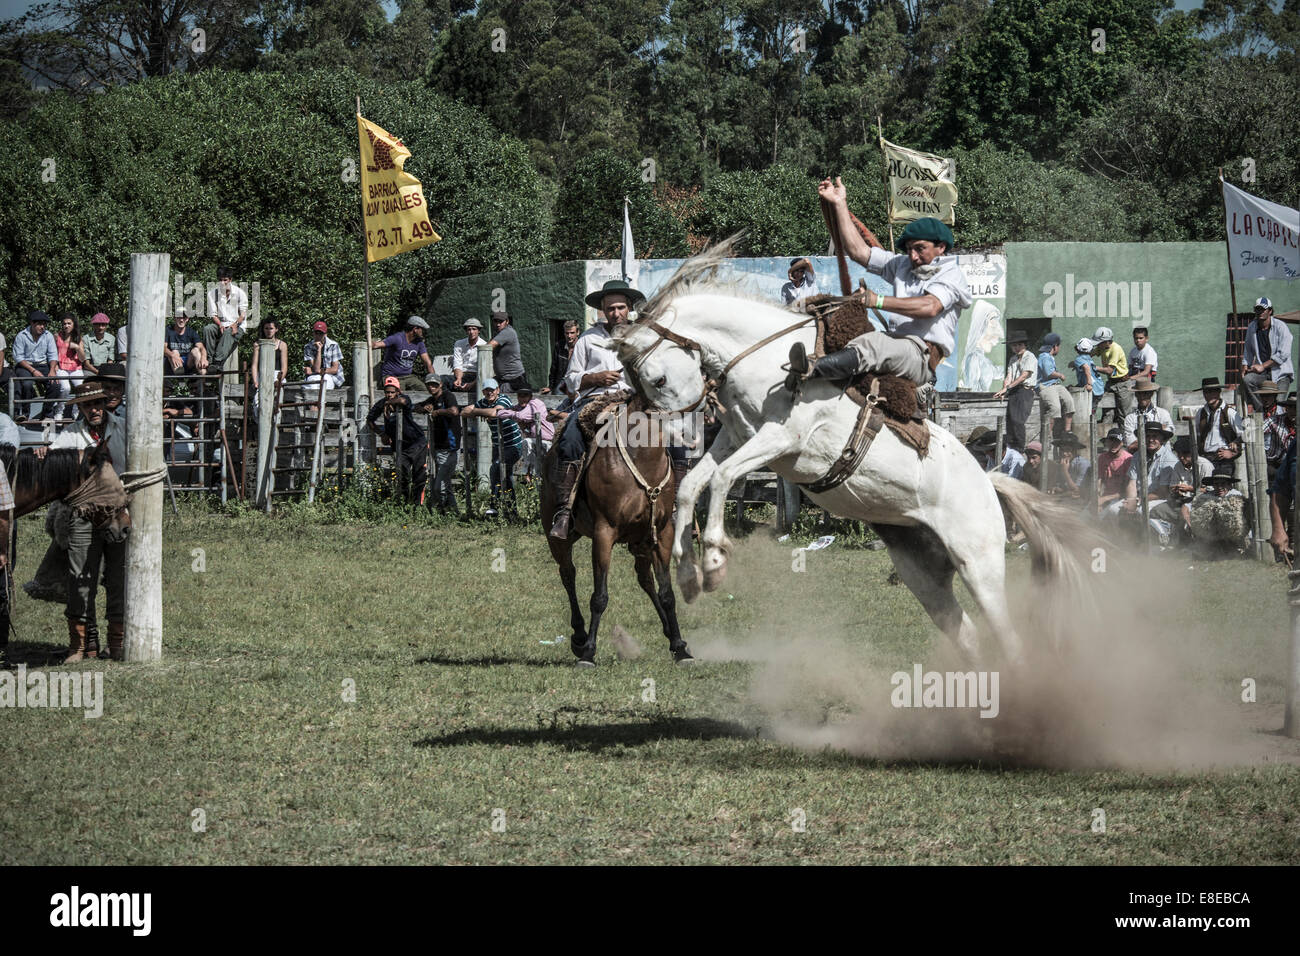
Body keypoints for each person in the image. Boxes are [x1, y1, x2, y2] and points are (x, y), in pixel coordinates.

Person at [787, 186, 971, 403]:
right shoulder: (902, 264)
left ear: (940, 247)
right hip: (896, 345)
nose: (912, 256)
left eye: (920, 248)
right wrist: (839, 204)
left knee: (872, 344)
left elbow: (930, 306)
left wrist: (877, 301)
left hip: (921, 356)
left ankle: (810, 370)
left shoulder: (952, 273)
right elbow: (859, 252)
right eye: (909, 249)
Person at [549, 279, 642, 539]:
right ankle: (564, 512)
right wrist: (596, 378)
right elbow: (570, 379)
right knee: (569, 437)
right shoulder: (588, 339)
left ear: (630, 307)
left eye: (621, 307)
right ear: (602, 309)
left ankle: (677, 508)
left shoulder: (642, 336)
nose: (616, 313)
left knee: (676, 432)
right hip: (595, 400)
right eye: (610, 308)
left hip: (635, 400)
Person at [51, 382, 128, 662]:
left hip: (117, 511)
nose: (94, 409)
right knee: (80, 576)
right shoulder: (71, 435)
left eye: (97, 403)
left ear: (105, 402)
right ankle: (83, 644)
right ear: (80, 408)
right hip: (83, 514)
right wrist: (44, 453)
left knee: (118, 575)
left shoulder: (122, 428)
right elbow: (53, 460)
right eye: (87, 405)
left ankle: (116, 642)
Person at [462, 377, 523, 517]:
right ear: (483, 391)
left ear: (497, 390)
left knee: (495, 469)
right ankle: (511, 511)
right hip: (498, 445)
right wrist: (482, 411)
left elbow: (495, 412)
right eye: (487, 390)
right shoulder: (483, 402)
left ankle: (494, 506)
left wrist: (478, 412)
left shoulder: (504, 399)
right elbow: (464, 411)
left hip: (513, 444)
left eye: (492, 390)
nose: (490, 393)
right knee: (505, 476)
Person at [366, 376, 428, 504]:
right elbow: (370, 420)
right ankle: (404, 504)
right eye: (387, 392)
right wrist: (382, 434)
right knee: (402, 476)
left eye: (392, 392)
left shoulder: (404, 398)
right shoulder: (381, 403)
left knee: (419, 475)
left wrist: (389, 403)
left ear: (398, 391)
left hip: (416, 443)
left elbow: (404, 402)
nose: (389, 395)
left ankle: (418, 505)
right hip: (400, 446)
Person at [482, 382, 553, 480]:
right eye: (520, 395)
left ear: (530, 396)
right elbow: (501, 412)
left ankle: (528, 472)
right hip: (535, 443)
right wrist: (508, 413)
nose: (522, 398)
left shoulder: (535, 403)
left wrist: (510, 413)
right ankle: (530, 474)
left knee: (527, 443)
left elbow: (521, 416)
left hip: (547, 442)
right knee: (539, 473)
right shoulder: (520, 407)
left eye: (525, 395)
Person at [413, 374, 461, 513]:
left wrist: (438, 412)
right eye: (429, 385)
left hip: (450, 446)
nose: (431, 387)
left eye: (434, 384)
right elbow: (416, 407)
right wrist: (425, 408)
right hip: (438, 446)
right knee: (444, 483)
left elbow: (454, 411)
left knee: (439, 485)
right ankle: (452, 512)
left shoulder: (447, 396)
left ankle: (444, 510)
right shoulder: (432, 399)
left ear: (440, 384)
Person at [1242, 296, 1294, 411]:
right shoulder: (1252, 327)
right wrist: (1245, 365)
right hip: (1264, 375)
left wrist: (1262, 366)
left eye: (1263, 309)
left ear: (1270, 311)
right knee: (1248, 380)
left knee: (1279, 406)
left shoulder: (1281, 327)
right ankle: (1261, 411)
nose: (1260, 312)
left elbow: (1284, 353)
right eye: (1257, 309)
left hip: (1281, 374)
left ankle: (1278, 424)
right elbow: (1248, 348)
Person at [13, 310, 65, 422]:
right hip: (25, 366)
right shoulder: (21, 336)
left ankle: (47, 413)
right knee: (26, 384)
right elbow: (19, 357)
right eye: (40, 324)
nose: (42, 327)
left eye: (44, 324)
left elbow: (53, 355)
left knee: (55, 385)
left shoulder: (48, 335)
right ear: (32, 323)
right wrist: (33, 371)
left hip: (43, 365)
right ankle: (25, 414)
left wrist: (52, 370)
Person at [994, 330, 1036, 452]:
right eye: (1014, 345)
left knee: (1018, 420)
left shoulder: (1030, 357)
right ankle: (1011, 448)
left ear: (1024, 345)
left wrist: (1007, 388)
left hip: (1025, 391)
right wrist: (1004, 390)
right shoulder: (1013, 359)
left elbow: (1024, 376)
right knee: (1010, 420)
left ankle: (1020, 448)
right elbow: (1009, 376)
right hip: (1013, 391)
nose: (1016, 348)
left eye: (1019, 345)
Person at [372, 315, 434, 392]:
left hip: (408, 377)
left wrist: (434, 380)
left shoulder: (419, 343)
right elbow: (376, 345)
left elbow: (428, 363)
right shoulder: (397, 338)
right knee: (400, 395)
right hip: (392, 376)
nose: (423, 332)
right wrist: (367, 345)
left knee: (425, 391)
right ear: (415, 329)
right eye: (422, 329)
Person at [1195, 377, 1242, 477]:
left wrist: (1232, 453)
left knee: (1222, 488)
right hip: (1205, 459)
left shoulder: (1230, 412)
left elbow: (1244, 436)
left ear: (1219, 392)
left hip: (1223, 461)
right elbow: (1198, 437)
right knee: (1205, 489)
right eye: (1206, 392)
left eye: (1212, 391)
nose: (1209, 395)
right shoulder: (1200, 413)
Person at [203, 266, 249, 367]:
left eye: (225, 280)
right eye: (220, 280)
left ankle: (217, 363)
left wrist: (235, 324)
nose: (222, 283)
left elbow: (243, 314)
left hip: (237, 325)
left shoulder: (240, 293)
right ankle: (209, 359)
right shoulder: (212, 293)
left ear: (230, 280)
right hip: (222, 324)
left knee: (229, 333)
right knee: (208, 329)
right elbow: (213, 315)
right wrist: (220, 325)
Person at [1035, 332, 1072, 436]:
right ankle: (1047, 434)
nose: (1059, 348)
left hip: (1055, 385)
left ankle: (1067, 431)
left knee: (1069, 402)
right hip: (1046, 385)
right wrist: (1060, 375)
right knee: (1055, 408)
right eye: (1058, 346)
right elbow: (1049, 373)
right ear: (1055, 346)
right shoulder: (1044, 356)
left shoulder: (1050, 357)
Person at [1121, 380, 1174, 452]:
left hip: (1162, 457)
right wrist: (1160, 431)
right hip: (1140, 457)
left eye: (1145, 393)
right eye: (1139, 393)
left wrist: (1140, 442)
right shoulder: (1130, 418)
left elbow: (1168, 434)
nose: (1142, 396)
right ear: (1136, 395)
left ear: (1151, 394)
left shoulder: (1163, 413)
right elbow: (1131, 445)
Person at [1090, 327, 1129, 421]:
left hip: (1121, 384)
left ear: (1107, 341)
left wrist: (1092, 367)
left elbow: (1109, 370)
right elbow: (1090, 354)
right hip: (1111, 382)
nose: (1097, 345)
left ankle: (1125, 434)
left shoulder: (1115, 349)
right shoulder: (1102, 347)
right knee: (1107, 413)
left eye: (1099, 343)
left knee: (1123, 414)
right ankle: (1107, 435)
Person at [52, 311, 86, 422]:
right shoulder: (57, 336)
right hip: (61, 367)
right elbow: (52, 352)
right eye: (64, 323)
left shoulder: (78, 337)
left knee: (81, 387)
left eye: (69, 323)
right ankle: (59, 411)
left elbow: (82, 359)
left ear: (73, 324)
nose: (66, 326)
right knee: (65, 388)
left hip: (75, 367)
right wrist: (54, 365)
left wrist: (77, 347)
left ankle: (76, 410)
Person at [250, 317, 289, 402]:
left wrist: (279, 380)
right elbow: (254, 365)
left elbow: (284, 367)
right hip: (262, 375)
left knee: (276, 401)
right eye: (266, 328)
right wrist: (255, 381)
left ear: (276, 329)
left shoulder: (282, 345)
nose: (269, 331)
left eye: (271, 328)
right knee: (258, 402)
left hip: (277, 375)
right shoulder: (257, 344)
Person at [488, 311, 527, 393]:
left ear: (507, 321)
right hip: (502, 379)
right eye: (495, 321)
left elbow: (488, 347)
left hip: (513, 380)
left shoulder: (507, 332)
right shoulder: (497, 333)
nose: (498, 324)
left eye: (501, 321)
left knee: (501, 401)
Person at [1096, 427, 1133, 514]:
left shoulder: (1129, 459)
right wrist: (1098, 499)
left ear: (1122, 443)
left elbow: (1127, 489)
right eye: (1111, 441)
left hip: (1121, 497)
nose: (1113, 444)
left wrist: (1104, 499)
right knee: (1084, 516)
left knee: (1111, 511)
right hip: (1104, 496)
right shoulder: (1102, 458)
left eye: (1116, 441)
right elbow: (1098, 480)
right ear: (1107, 442)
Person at [302, 320, 344, 391]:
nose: (318, 336)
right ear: (313, 333)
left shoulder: (333, 345)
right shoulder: (308, 347)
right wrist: (319, 350)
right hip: (315, 375)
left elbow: (334, 369)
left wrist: (319, 371)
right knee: (311, 387)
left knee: (325, 385)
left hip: (331, 376)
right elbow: (316, 368)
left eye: (321, 333)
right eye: (316, 333)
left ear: (325, 334)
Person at [164, 309, 208, 377]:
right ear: (175, 318)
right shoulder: (168, 331)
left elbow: (201, 347)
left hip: (188, 362)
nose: (181, 320)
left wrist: (204, 358)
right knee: (174, 351)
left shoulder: (191, 332)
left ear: (187, 319)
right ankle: (180, 376)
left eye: (184, 317)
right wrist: (171, 355)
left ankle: (204, 378)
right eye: (179, 317)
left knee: (196, 350)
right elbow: (163, 348)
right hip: (173, 363)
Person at [1069, 336, 1104, 417]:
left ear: (1077, 348)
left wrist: (1089, 384)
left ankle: (1089, 427)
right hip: (1099, 388)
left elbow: (1086, 368)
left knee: (1088, 413)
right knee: (1092, 412)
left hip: (1093, 389)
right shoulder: (1088, 358)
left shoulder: (1079, 359)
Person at [546, 320, 580, 396]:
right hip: (562, 381)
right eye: (567, 333)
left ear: (577, 332)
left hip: (577, 381)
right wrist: (550, 387)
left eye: (572, 333)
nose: (569, 336)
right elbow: (554, 368)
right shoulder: (559, 346)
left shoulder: (582, 346)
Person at [451, 318, 485, 392]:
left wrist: (472, 384)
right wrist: (459, 379)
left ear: (479, 331)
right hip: (461, 375)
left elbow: (483, 370)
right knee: (443, 379)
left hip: (476, 377)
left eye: (474, 329)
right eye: (469, 329)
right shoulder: (459, 344)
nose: (471, 332)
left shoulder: (484, 345)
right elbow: (457, 364)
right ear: (466, 331)